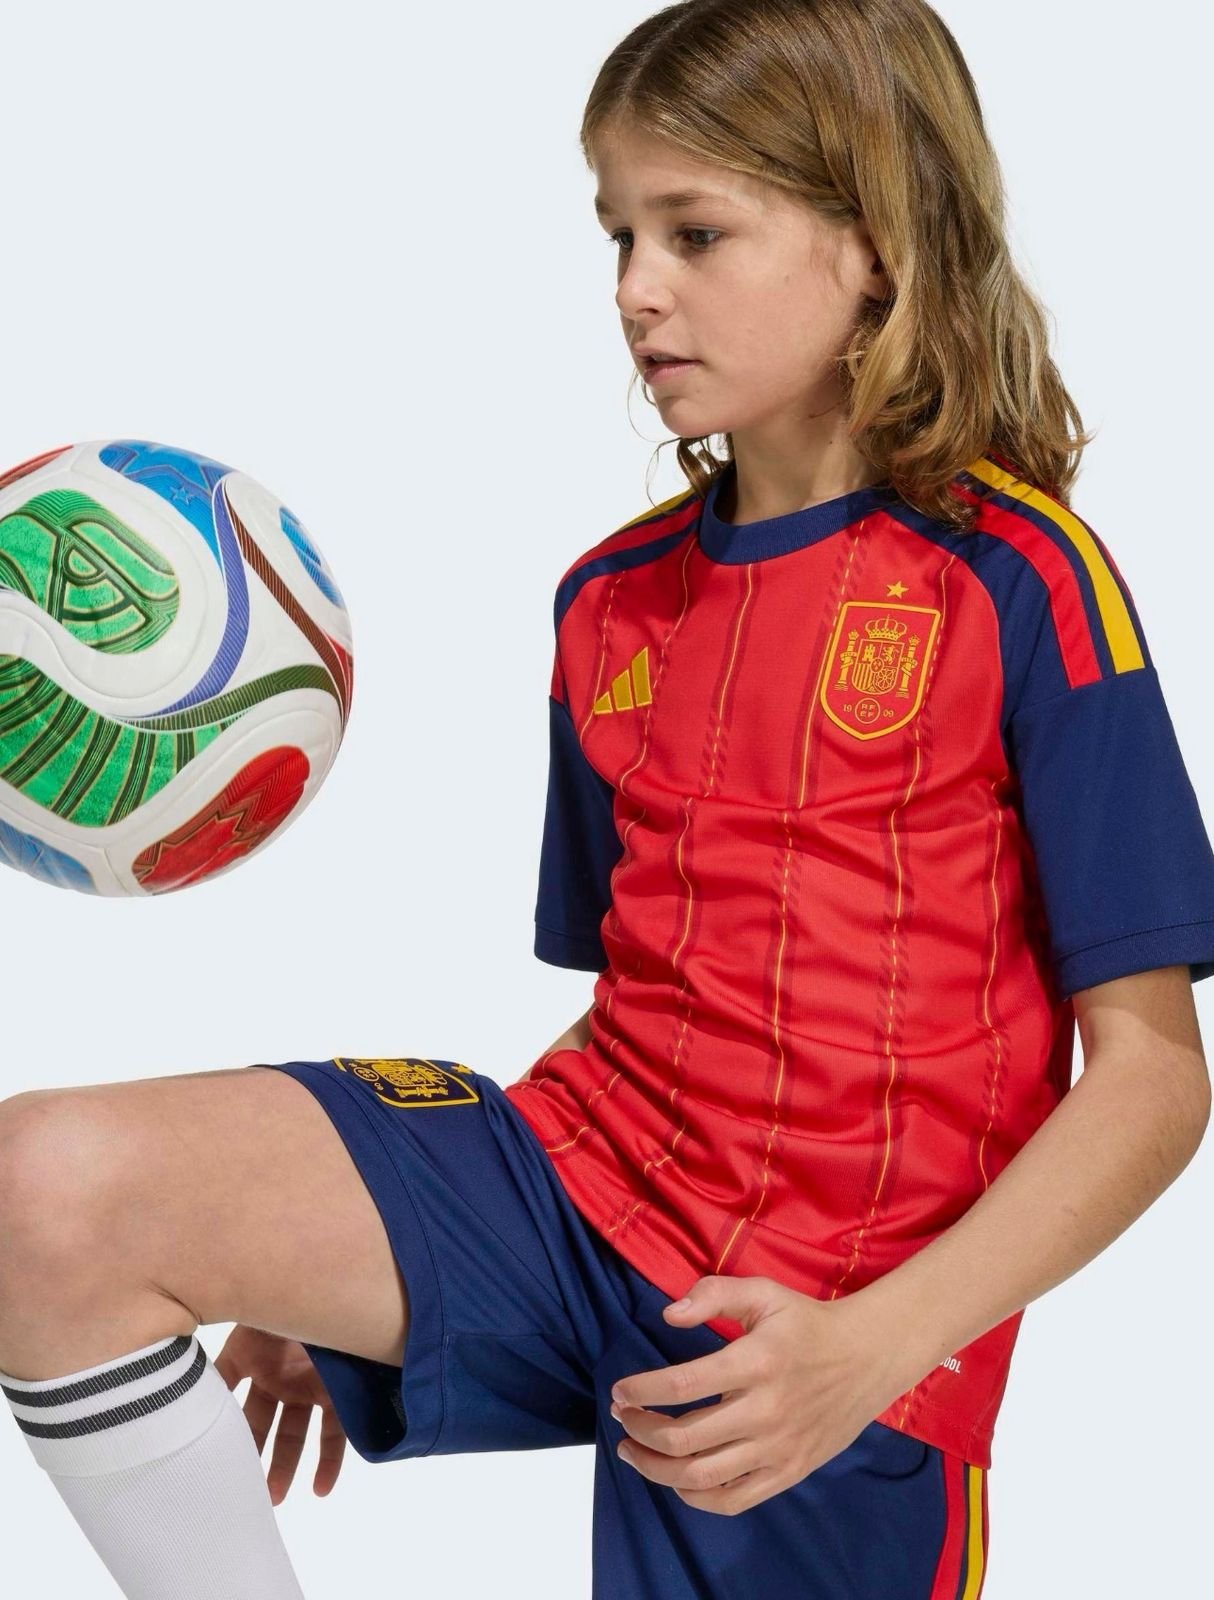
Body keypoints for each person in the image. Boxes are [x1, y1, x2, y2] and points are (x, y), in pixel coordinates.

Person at [2, 2, 1211, 1597]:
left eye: (693, 233)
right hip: (582, 1179)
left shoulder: (1015, 579)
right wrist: (328, 1250)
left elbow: (1150, 1079)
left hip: (823, 1332)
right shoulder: (609, 603)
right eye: (619, 235)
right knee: (50, 1190)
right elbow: (655, 994)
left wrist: (876, 1347)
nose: (637, 288)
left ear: (872, 245)